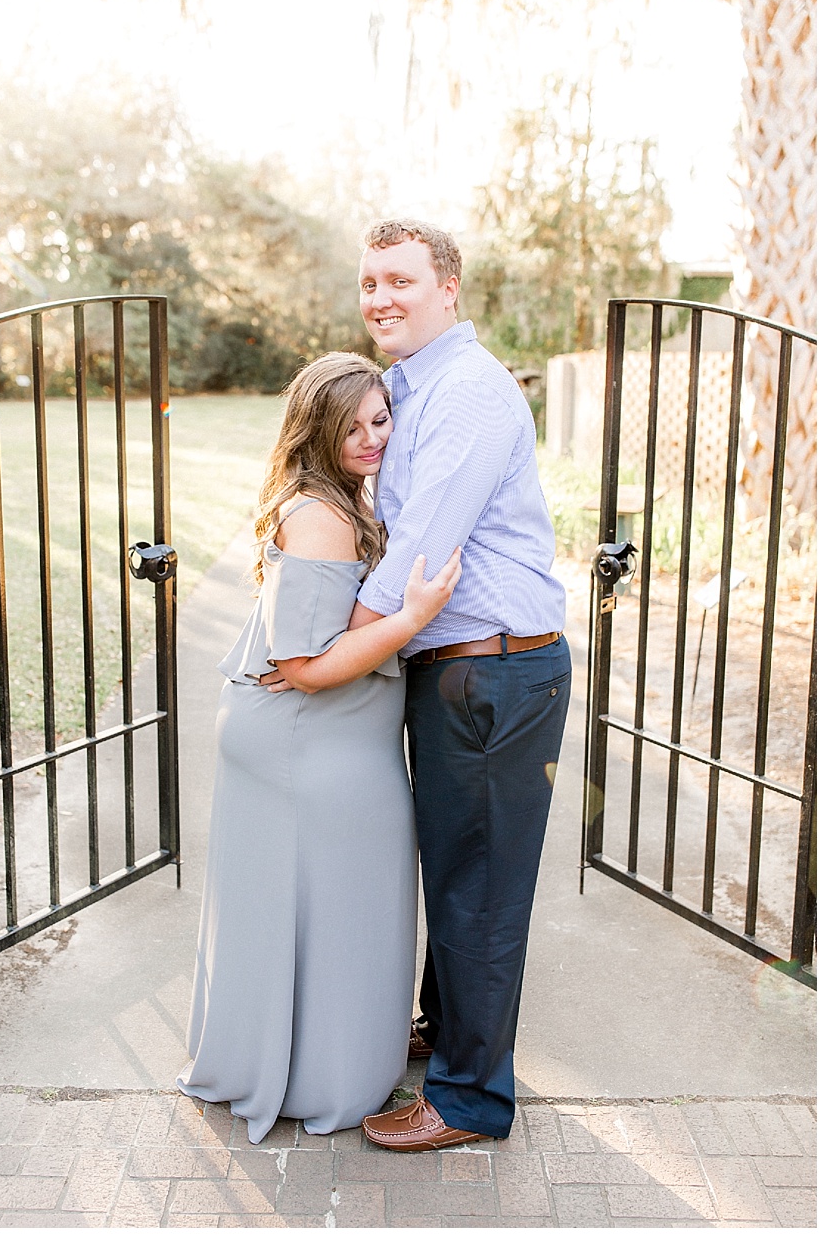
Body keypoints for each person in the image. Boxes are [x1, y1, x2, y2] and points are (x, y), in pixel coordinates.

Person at [177, 351, 462, 1144]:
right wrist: (415, 616)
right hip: (308, 746)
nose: (372, 437)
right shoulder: (321, 515)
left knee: (338, 909)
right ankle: (317, 1078)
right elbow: (302, 667)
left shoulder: (345, 499)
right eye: (354, 426)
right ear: (317, 430)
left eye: (382, 418)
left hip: (331, 742)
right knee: (337, 908)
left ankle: (312, 1058)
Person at [349, 219, 571, 1152]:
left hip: (494, 675)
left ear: (449, 287)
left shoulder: (469, 391)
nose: (380, 298)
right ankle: (449, 1037)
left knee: (480, 887)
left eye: (399, 279)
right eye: (368, 283)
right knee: (458, 871)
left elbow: (423, 544)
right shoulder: (413, 388)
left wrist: (327, 661)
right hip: (461, 672)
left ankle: (471, 1100)